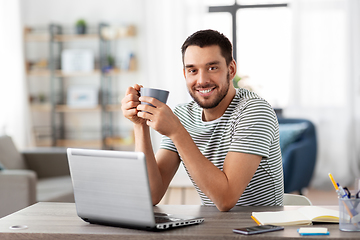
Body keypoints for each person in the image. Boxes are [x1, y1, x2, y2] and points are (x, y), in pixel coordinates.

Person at [121, 29, 283, 211]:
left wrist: (176, 131)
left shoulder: (254, 111)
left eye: (212, 68)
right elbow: (151, 194)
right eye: (193, 70)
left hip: (261, 228)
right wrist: (140, 125)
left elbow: (226, 199)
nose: (202, 80)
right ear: (185, 74)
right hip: (212, 226)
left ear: (231, 70)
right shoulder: (182, 115)